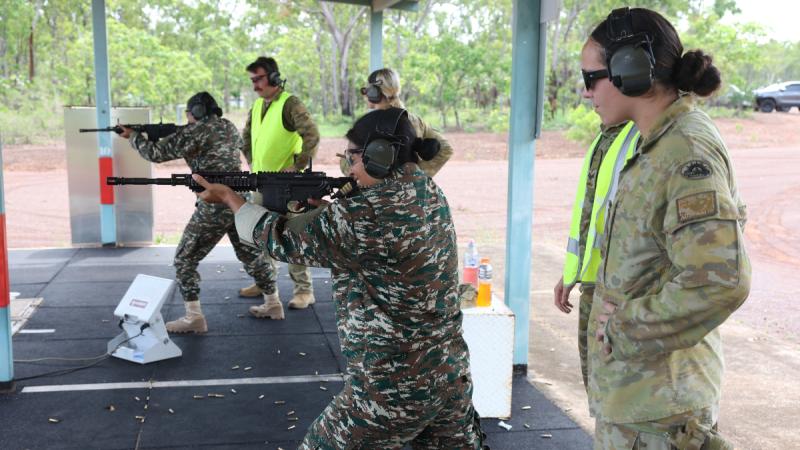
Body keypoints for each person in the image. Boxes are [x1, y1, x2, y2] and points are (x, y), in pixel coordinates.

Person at [193, 107, 485, 449]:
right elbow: (360, 229)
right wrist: (323, 210)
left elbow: (280, 240)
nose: (350, 168)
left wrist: (230, 198)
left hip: (393, 388)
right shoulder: (427, 191)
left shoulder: (368, 211)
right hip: (448, 375)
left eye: (354, 157)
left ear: (380, 156)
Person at [581, 7, 750, 449]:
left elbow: (720, 282)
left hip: (659, 414)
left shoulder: (685, 151)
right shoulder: (655, 141)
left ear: (629, 71)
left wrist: (624, 329)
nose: (586, 94)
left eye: (590, 78)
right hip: (639, 405)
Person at [117, 92, 277, 333]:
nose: (188, 118)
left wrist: (135, 136)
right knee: (251, 254)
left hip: (213, 203)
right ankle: (273, 304)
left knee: (184, 259)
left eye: (189, 113)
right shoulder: (227, 126)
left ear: (197, 112)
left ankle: (194, 317)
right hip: (238, 200)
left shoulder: (193, 132)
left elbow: (156, 154)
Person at [553, 119, 639, 392]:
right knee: (596, 384)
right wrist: (571, 273)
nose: (587, 93)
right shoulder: (605, 139)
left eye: (594, 81)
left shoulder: (644, 136)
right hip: (595, 284)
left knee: (616, 390)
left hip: (622, 292)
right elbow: (589, 218)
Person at [239, 56, 320, 318]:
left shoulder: (290, 104)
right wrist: (253, 164)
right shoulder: (257, 106)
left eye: (258, 79)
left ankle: (304, 290)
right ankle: (266, 283)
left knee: (292, 235)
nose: (255, 86)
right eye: (252, 81)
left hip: (287, 186)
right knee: (260, 235)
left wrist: (297, 167)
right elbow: (246, 139)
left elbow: (312, 135)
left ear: (274, 77)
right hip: (262, 182)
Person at [339, 67, 452, 177]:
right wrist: (418, 176)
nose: (365, 94)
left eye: (367, 90)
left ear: (374, 93)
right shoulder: (413, 120)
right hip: (405, 191)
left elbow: (349, 164)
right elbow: (445, 148)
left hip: (376, 191)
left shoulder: (369, 124)